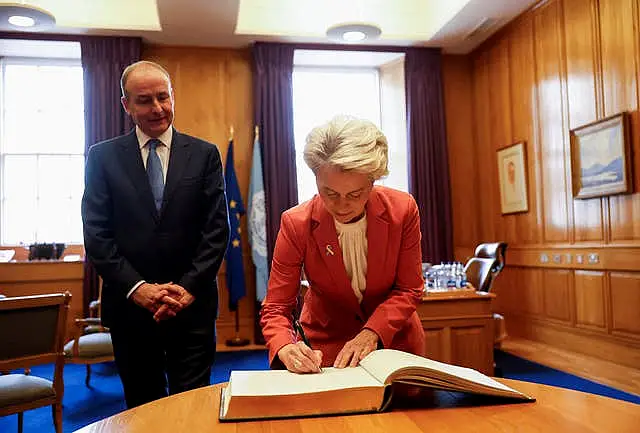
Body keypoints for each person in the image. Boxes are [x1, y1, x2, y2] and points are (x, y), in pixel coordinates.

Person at [82, 60, 230, 407]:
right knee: (143, 405)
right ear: (126, 105)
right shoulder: (102, 157)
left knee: (192, 405)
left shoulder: (205, 154)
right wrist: (140, 290)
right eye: (145, 100)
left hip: (191, 306)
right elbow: (97, 235)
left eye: (164, 97)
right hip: (131, 309)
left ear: (173, 97)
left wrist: (188, 289)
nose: (158, 108)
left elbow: (217, 230)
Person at [260, 115, 425, 373]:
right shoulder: (296, 223)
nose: (341, 205)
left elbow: (409, 289)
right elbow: (276, 307)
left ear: (373, 182)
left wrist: (372, 332)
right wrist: (285, 346)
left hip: (394, 342)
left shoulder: (402, 210)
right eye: (330, 193)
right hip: (326, 348)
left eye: (355, 194)